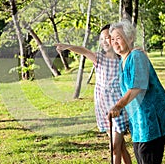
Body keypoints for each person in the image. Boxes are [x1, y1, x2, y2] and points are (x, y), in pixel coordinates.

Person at [55, 24, 132, 164]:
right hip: (103, 108)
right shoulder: (99, 59)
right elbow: (83, 51)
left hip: (117, 109)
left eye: (108, 38)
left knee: (114, 148)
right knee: (120, 147)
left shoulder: (122, 60)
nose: (105, 41)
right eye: (102, 39)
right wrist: (67, 46)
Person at [108, 20, 165, 164]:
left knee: (147, 157)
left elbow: (137, 87)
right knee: (141, 156)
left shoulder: (136, 56)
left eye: (119, 38)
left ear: (130, 38)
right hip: (139, 121)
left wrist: (118, 106)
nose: (115, 42)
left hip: (151, 119)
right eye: (112, 39)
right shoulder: (124, 60)